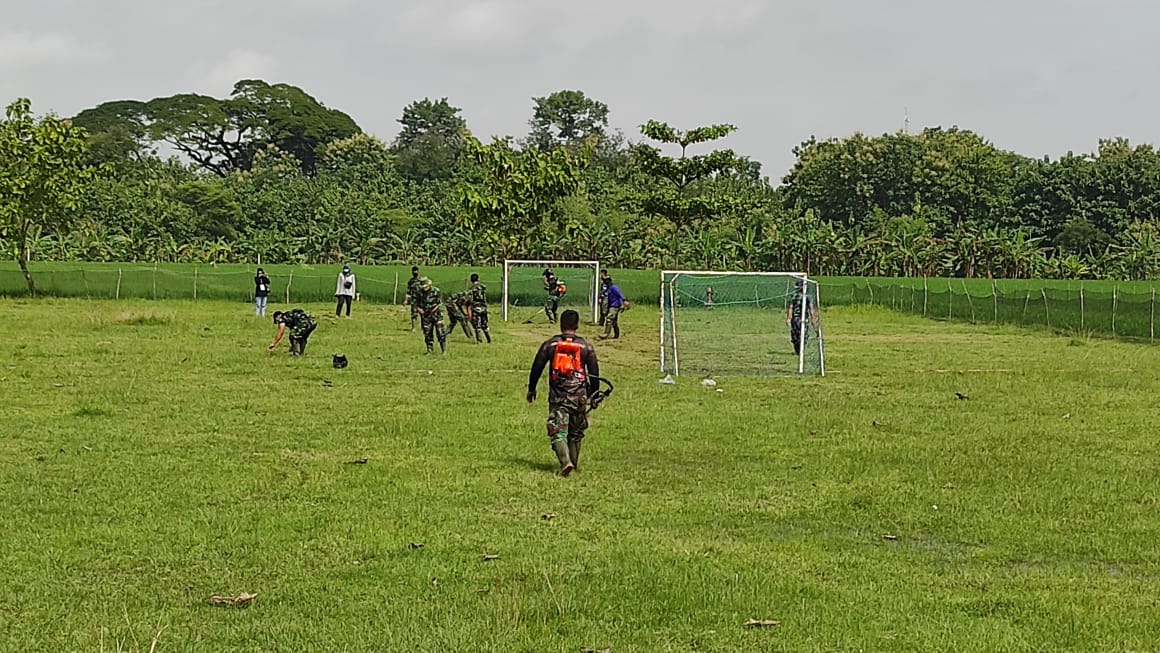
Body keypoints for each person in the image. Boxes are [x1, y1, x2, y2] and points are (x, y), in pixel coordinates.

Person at [527, 309, 599, 476]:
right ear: (577, 325)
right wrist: (594, 395)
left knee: (557, 430)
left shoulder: (550, 345)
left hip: (559, 397)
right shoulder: (586, 346)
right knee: (576, 432)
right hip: (579, 397)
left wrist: (532, 388)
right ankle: (573, 463)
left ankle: (565, 462)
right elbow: (594, 373)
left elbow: (536, 367)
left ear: (561, 325)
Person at [415, 276, 447, 354]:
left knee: (440, 332)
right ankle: (429, 350)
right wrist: (420, 310)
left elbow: (441, 303)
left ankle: (444, 350)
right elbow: (416, 304)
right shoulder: (419, 292)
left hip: (437, 315)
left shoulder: (436, 291)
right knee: (427, 333)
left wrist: (435, 309)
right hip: (426, 316)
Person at [786, 279, 818, 356]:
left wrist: (789, 318)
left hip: (801, 319)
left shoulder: (806, 297)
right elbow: (791, 308)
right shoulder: (794, 297)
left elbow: (810, 308)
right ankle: (799, 349)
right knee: (798, 335)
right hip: (798, 319)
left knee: (799, 335)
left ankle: (800, 349)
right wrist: (789, 318)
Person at [468, 273, 492, 344]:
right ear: (478, 279)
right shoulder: (483, 287)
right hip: (483, 307)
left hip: (475, 308)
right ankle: (489, 340)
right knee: (484, 325)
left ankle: (479, 341)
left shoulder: (471, 289)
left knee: (477, 325)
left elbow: (470, 300)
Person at [403, 266, 422, 331]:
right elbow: (408, 292)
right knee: (414, 313)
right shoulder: (410, 281)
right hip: (414, 300)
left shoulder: (421, 281)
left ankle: (423, 326)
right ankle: (414, 327)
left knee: (423, 313)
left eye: (416, 270)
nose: (415, 272)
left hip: (421, 299)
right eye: (414, 271)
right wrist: (406, 300)